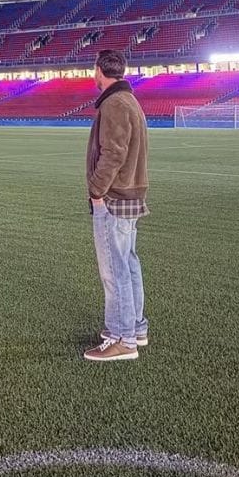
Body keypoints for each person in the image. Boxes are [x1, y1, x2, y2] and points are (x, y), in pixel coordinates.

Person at [83, 50, 150, 362]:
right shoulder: (129, 100)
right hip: (130, 195)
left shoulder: (113, 103)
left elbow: (113, 153)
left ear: (99, 70)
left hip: (114, 198)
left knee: (115, 269)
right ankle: (135, 328)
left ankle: (122, 338)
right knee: (129, 263)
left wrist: (97, 190)